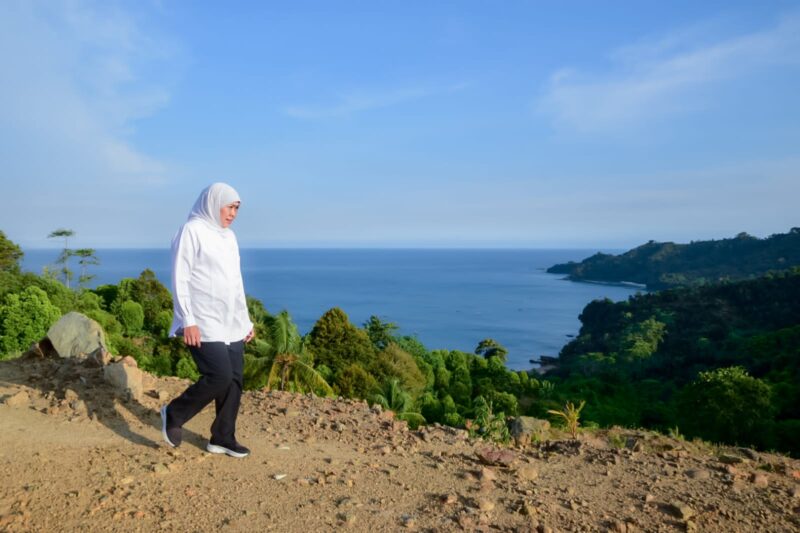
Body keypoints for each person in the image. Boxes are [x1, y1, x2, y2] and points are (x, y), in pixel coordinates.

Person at [160, 183, 255, 458]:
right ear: (213, 203)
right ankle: (173, 414)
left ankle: (223, 438)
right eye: (229, 206)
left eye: (237, 208)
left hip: (230, 321)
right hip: (202, 321)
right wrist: (187, 319)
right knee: (219, 376)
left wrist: (245, 321)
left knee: (235, 380)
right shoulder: (192, 231)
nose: (233, 213)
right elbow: (180, 276)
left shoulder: (229, 237)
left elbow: (235, 283)